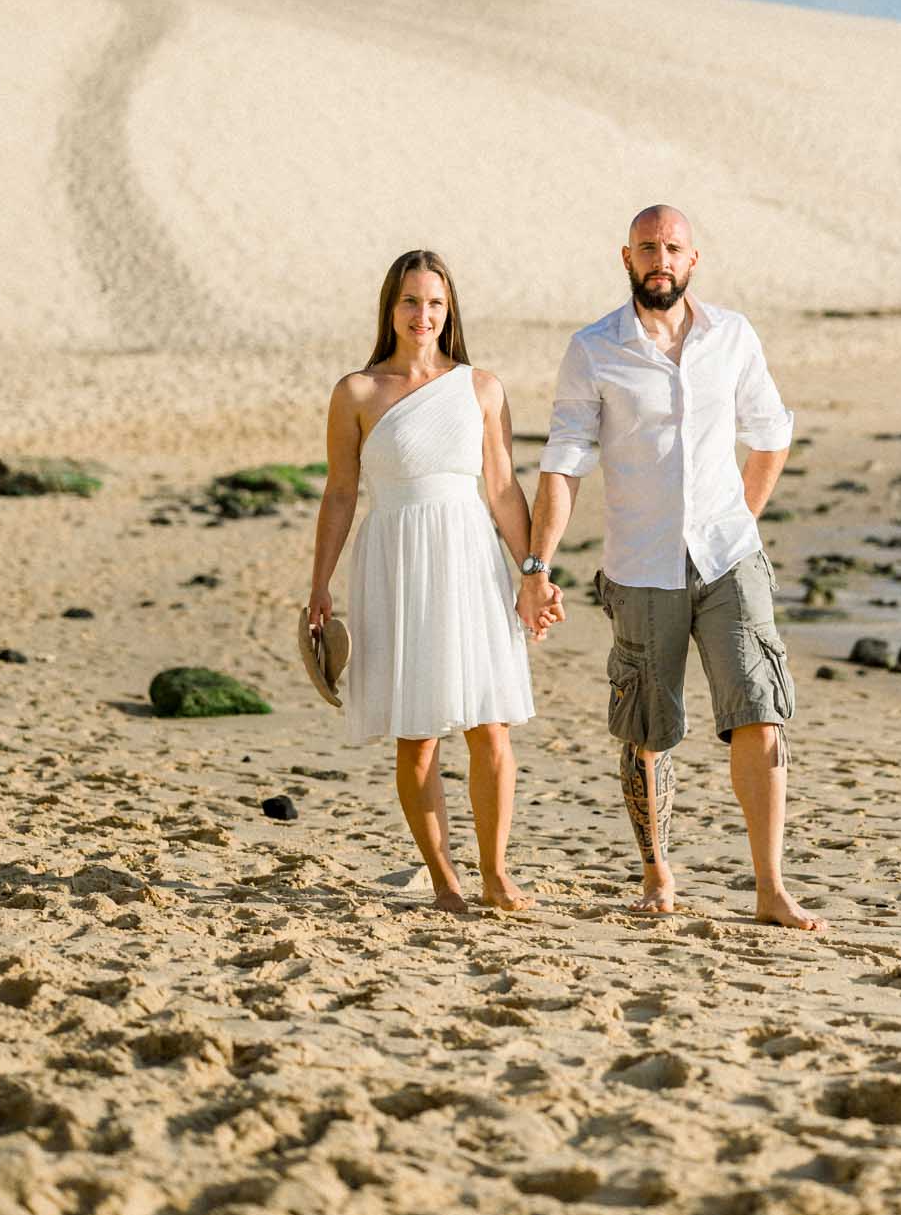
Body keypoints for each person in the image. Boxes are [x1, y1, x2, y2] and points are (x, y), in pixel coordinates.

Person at [517, 206, 826, 931]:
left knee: (759, 709)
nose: (661, 259)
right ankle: (657, 869)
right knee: (646, 728)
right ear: (625, 257)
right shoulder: (594, 349)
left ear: (695, 259)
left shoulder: (732, 336)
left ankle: (769, 885)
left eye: (673, 248)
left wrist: (742, 516)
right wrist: (537, 565)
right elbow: (564, 462)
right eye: (648, 248)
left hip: (728, 559)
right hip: (640, 563)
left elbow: (771, 431)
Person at [308, 249, 559, 914]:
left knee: (489, 724)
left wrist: (533, 572)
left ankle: (495, 874)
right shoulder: (356, 392)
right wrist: (319, 585)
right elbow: (339, 493)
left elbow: (503, 490)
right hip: (393, 560)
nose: (424, 315)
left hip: (469, 558)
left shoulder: (480, 387)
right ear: (390, 308)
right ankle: (445, 880)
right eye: (411, 302)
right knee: (416, 734)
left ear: (450, 312)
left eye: (436, 304)